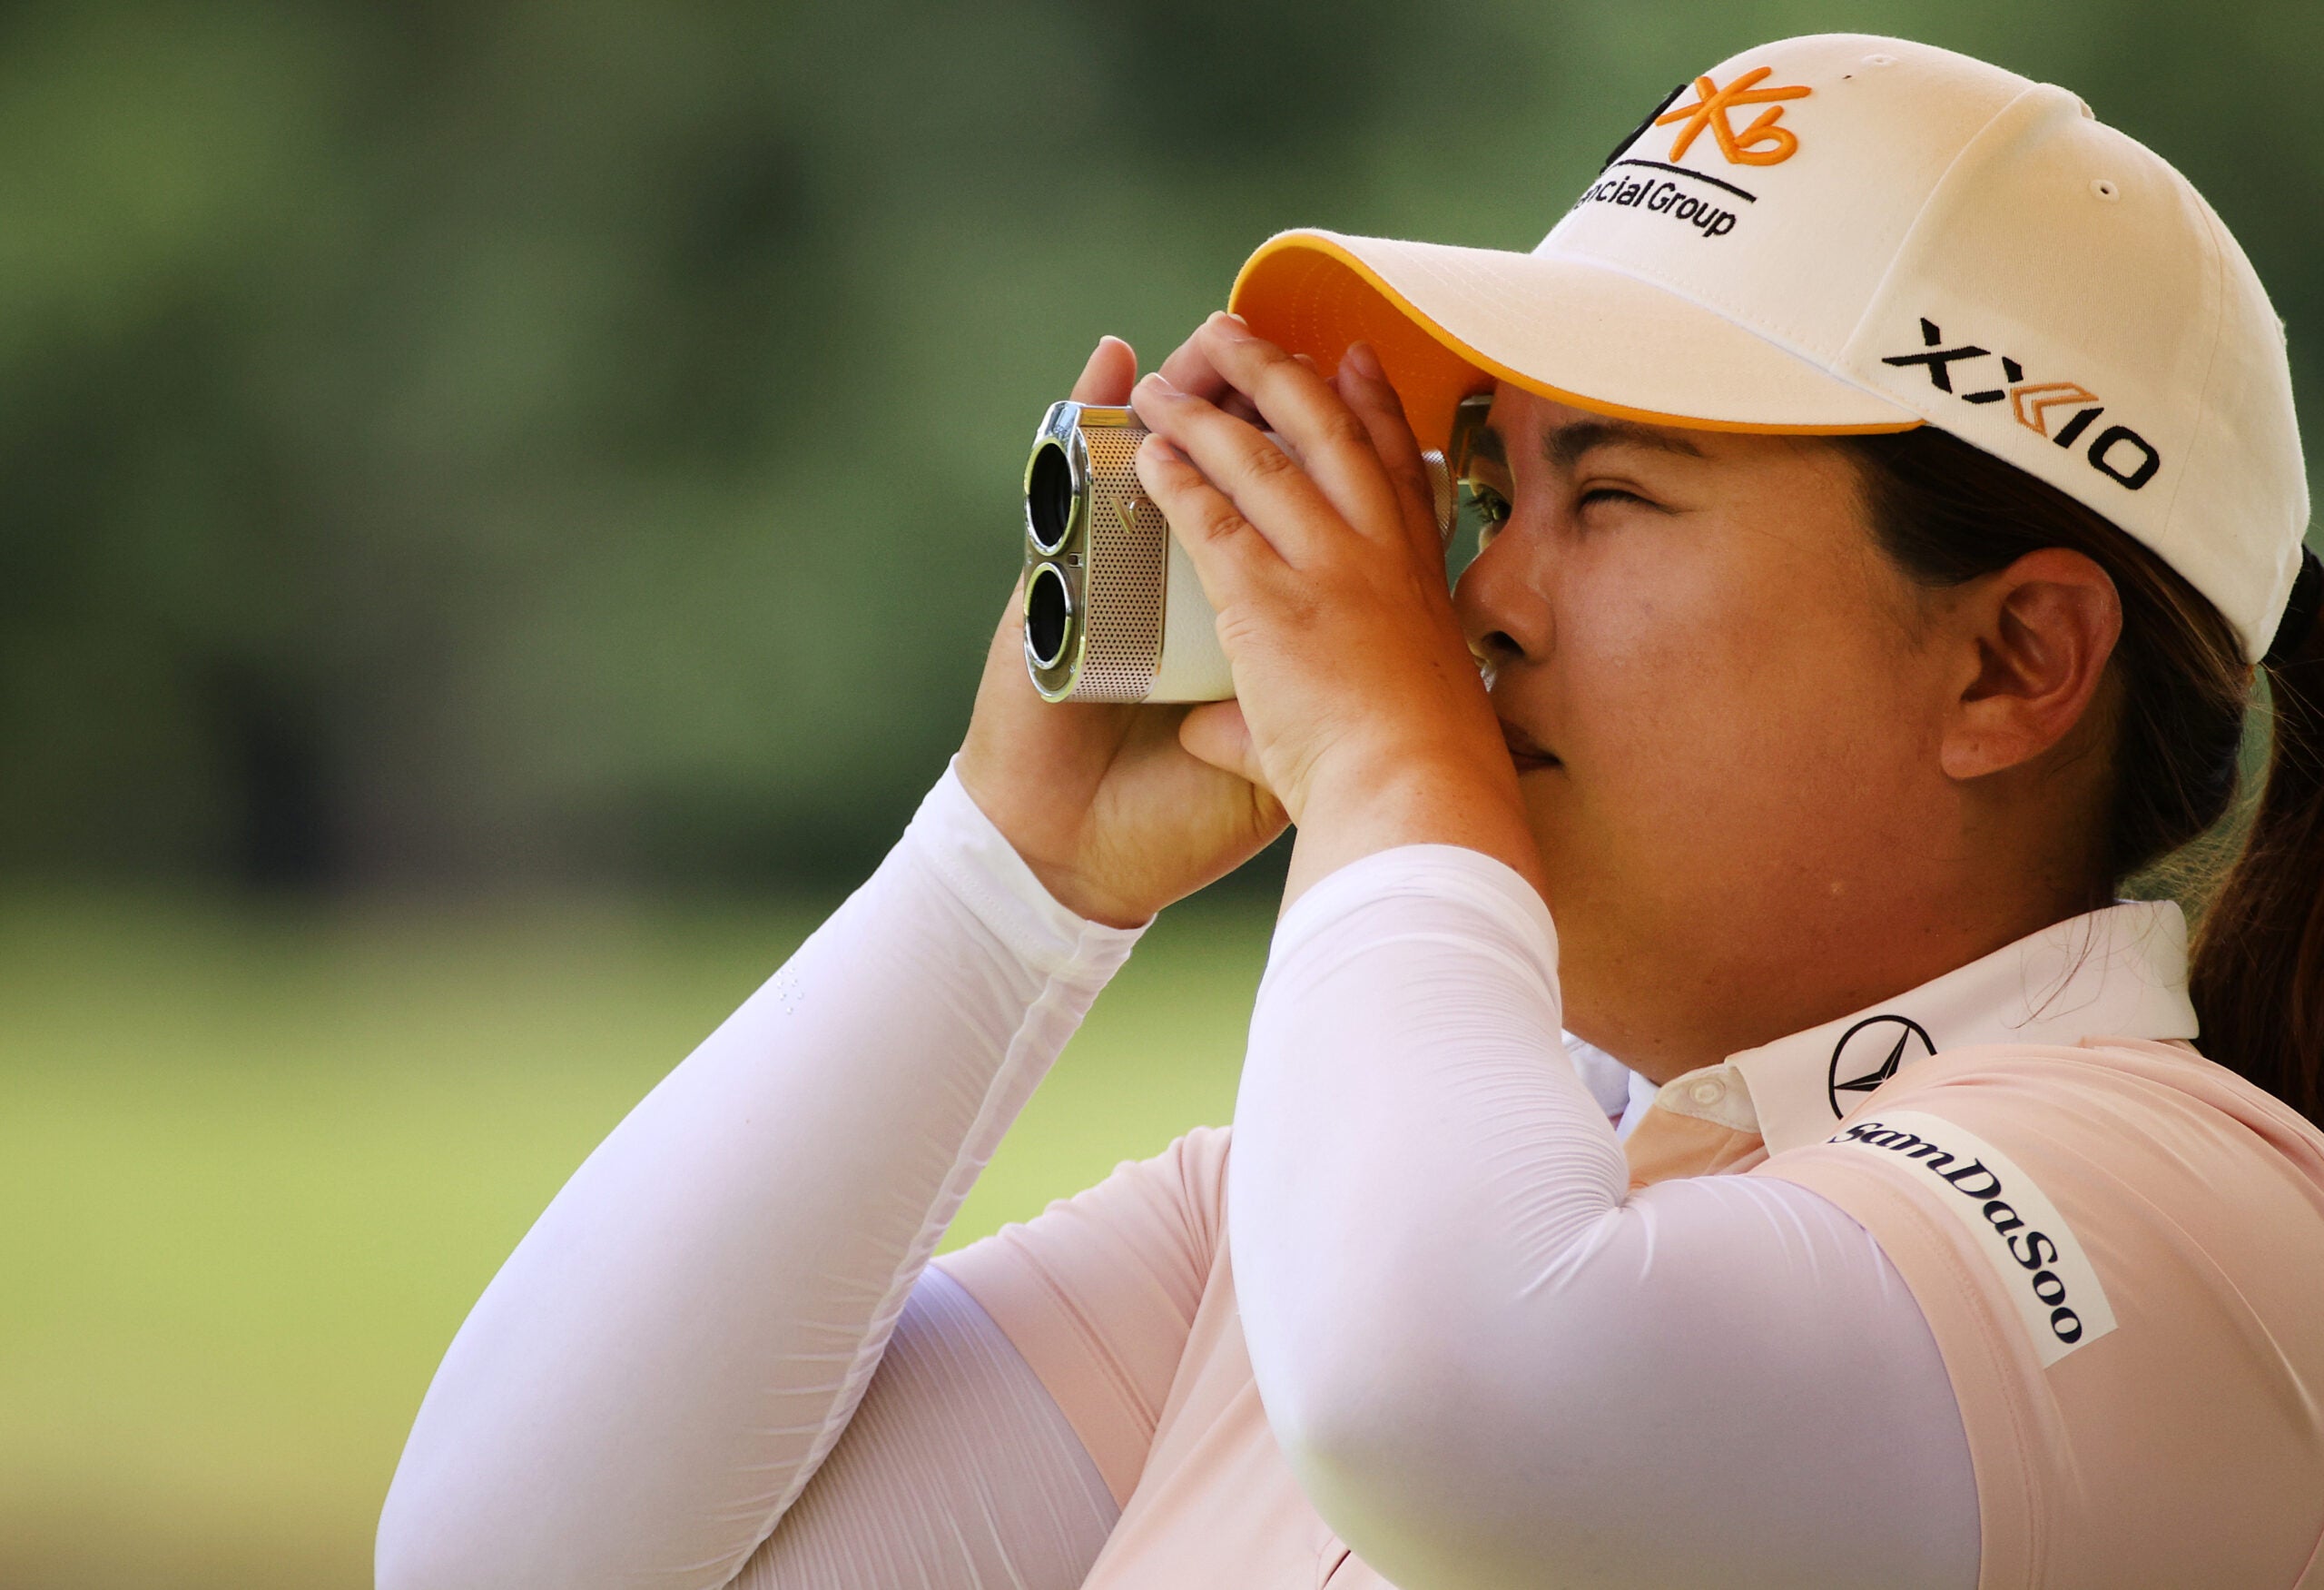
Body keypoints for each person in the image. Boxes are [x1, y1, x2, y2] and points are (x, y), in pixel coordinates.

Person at [375, 33, 2324, 1590]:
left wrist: (1388, 775)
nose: (1473, 599)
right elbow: (507, 1558)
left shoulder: (2201, 1233)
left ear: (2012, 665)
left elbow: (1453, 1402)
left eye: (1613, 496)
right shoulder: (1354, 1215)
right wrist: (1008, 881)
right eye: (1491, 491)